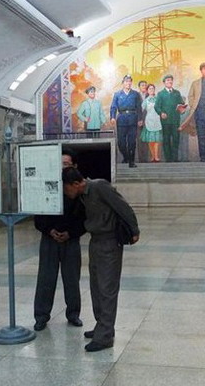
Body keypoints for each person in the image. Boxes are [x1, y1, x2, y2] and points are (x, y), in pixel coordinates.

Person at [62, 167, 139, 352]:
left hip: (109, 243)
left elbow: (123, 207)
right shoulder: (82, 196)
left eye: (66, 188)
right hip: (95, 241)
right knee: (96, 287)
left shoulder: (99, 187)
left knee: (107, 289)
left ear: (75, 184)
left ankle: (105, 337)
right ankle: (102, 326)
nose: (65, 193)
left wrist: (134, 230)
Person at [33, 149, 86, 331]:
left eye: (66, 164)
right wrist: (50, 230)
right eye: (60, 164)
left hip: (71, 241)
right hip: (49, 240)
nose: (63, 168)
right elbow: (38, 217)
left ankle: (73, 314)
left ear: (74, 166)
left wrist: (70, 233)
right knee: (46, 278)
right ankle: (41, 316)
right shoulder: (47, 186)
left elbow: (85, 220)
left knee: (72, 279)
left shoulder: (79, 190)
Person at [110, 75, 142, 167]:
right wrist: (112, 117)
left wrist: (140, 119)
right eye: (126, 81)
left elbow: (139, 108)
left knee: (132, 142)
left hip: (132, 119)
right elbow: (113, 107)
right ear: (123, 83)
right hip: (121, 120)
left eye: (130, 81)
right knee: (121, 143)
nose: (128, 83)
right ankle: (126, 156)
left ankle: (131, 162)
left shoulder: (135, 94)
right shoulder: (117, 94)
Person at [154, 74, 186, 162]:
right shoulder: (161, 94)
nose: (170, 81)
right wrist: (161, 113)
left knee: (176, 139)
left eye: (171, 80)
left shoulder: (177, 93)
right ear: (164, 82)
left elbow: (181, 104)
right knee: (166, 140)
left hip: (175, 120)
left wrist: (182, 108)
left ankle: (175, 159)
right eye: (167, 80)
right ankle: (168, 159)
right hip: (165, 121)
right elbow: (156, 106)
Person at [140, 84, 163, 162]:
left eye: (153, 88)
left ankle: (156, 156)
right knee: (151, 140)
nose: (151, 90)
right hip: (149, 120)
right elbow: (141, 110)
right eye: (150, 89)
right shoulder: (146, 100)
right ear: (147, 91)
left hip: (157, 120)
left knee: (156, 140)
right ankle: (153, 156)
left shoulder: (158, 99)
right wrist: (139, 119)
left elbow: (161, 108)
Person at [136, 80, 150, 163]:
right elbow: (135, 109)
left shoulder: (150, 95)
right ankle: (141, 159)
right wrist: (139, 119)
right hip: (139, 120)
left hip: (148, 120)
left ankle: (146, 159)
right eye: (142, 85)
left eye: (145, 85)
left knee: (147, 139)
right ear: (139, 87)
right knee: (140, 139)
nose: (144, 86)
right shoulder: (136, 96)